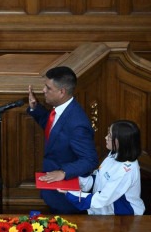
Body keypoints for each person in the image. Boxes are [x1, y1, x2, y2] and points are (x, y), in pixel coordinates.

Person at [27, 66, 99, 214]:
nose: (43, 91)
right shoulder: (60, 109)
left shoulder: (77, 123)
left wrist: (64, 172)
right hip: (53, 189)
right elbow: (53, 129)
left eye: (48, 88)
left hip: (65, 196)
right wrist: (35, 109)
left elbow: (90, 160)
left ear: (62, 92)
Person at [59, 120, 145, 215]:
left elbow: (102, 198)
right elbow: (98, 178)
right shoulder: (114, 155)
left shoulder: (126, 171)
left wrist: (70, 193)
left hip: (123, 217)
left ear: (121, 141)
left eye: (110, 136)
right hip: (104, 211)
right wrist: (74, 179)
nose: (106, 137)